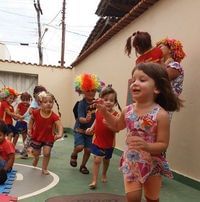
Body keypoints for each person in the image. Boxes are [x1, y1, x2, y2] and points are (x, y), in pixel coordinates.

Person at [95, 62, 182, 202]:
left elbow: (163, 144)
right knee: (133, 197)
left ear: (157, 88)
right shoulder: (127, 110)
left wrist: (147, 146)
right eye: (133, 79)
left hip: (153, 163)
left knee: (152, 198)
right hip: (132, 160)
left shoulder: (161, 115)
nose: (134, 83)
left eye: (142, 80)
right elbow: (117, 126)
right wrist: (105, 112)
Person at [86, 85, 121, 189]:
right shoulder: (98, 111)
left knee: (106, 160)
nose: (108, 102)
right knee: (97, 160)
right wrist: (91, 128)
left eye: (111, 100)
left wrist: (109, 125)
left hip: (109, 143)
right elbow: (96, 120)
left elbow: (117, 129)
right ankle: (94, 181)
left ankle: (104, 173)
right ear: (101, 101)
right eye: (105, 100)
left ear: (115, 102)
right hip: (97, 141)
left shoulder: (116, 115)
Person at [70, 73, 104, 174]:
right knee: (80, 147)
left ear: (96, 91)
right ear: (82, 91)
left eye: (93, 90)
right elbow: (80, 118)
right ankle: (74, 153)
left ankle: (83, 166)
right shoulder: (81, 104)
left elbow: (100, 116)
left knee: (88, 150)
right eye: (88, 90)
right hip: (79, 130)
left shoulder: (97, 103)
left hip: (90, 132)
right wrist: (86, 119)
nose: (90, 93)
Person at [29, 91, 63, 175]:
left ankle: (44, 168)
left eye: (50, 102)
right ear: (40, 103)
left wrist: (60, 134)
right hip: (37, 136)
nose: (48, 104)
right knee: (36, 153)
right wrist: (30, 129)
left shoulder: (54, 116)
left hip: (48, 138)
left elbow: (60, 126)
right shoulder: (36, 112)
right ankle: (36, 158)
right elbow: (31, 120)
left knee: (47, 153)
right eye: (45, 102)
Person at [20, 85, 47, 159]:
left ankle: (36, 150)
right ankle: (24, 151)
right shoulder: (34, 102)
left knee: (39, 137)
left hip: (38, 124)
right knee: (30, 137)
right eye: (39, 95)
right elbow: (30, 110)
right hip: (32, 123)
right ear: (35, 95)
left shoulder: (41, 102)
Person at [0, 120, 15, 184]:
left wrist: (4, 170)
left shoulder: (7, 144)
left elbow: (11, 158)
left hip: (6, 166)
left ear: (5, 134)